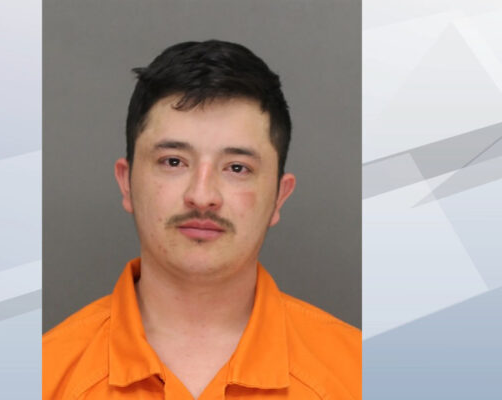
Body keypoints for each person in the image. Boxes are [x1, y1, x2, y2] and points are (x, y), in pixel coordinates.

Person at [43, 40, 361, 400]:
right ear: (126, 182)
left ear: (279, 196)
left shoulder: (359, 376)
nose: (202, 195)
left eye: (237, 168)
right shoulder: (44, 375)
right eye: (173, 161)